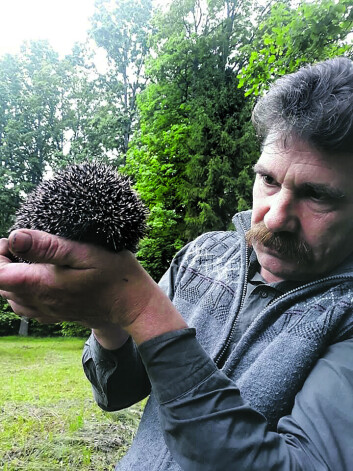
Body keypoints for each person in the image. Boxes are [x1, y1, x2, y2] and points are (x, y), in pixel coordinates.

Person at [1, 56, 353, 470]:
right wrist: (107, 317)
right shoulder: (204, 257)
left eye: (317, 195)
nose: (274, 217)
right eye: (269, 180)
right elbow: (119, 391)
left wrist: (139, 307)